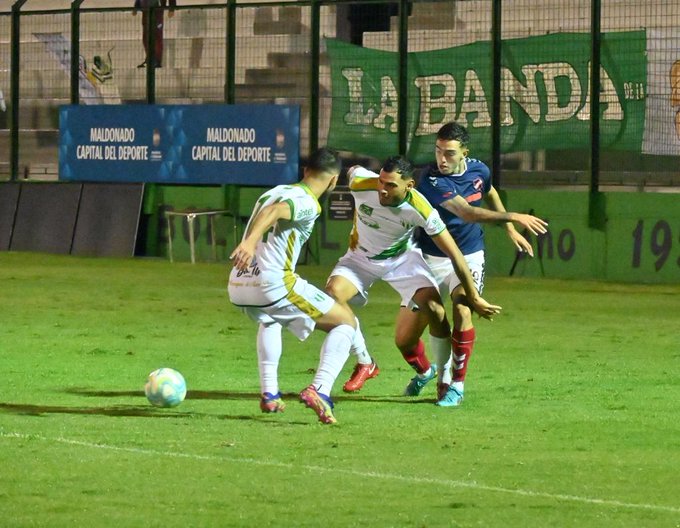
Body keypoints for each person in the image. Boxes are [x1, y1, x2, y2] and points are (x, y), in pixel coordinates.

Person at [325, 156, 501, 397]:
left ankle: (444, 381)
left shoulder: (422, 209)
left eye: (391, 185)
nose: (382, 190)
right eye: (382, 182)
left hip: (401, 261)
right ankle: (367, 362)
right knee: (332, 298)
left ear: (409, 186)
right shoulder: (362, 183)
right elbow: (352, 170)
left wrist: (474, 296)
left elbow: (455, 254)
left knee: (435, 309)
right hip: (359, 259)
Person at [415, 121, 548, 407]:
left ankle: (457, 386)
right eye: (438, 151)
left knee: (463, 307)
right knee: (426, 321)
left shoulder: (479, 170)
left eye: (449, 153)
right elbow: (467, 212)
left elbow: (490, 193)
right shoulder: (431, 179)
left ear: (465, 152)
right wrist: (513, 218)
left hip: (470, 253)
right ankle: (437, 373)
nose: (441, 159)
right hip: (431, 256)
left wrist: (509, 230)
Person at [228, 147, 356, 425]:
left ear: (305, 170)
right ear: (334, 181)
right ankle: (319, 389)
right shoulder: (308, 201)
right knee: (345, 322)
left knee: (271, 318)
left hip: (239, 282)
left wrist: (250, 243)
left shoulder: (273, 191)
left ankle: (270, 393)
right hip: (271, 283)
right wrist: (249, 243)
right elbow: (276, 212)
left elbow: (271, 207)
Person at [133, 0, 176, 68]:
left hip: (157, 9)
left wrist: (172, 8)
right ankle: (149, 58)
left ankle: (157, 60)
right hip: (146, 9)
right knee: (146, 36)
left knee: (157, 36)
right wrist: (136, 6)